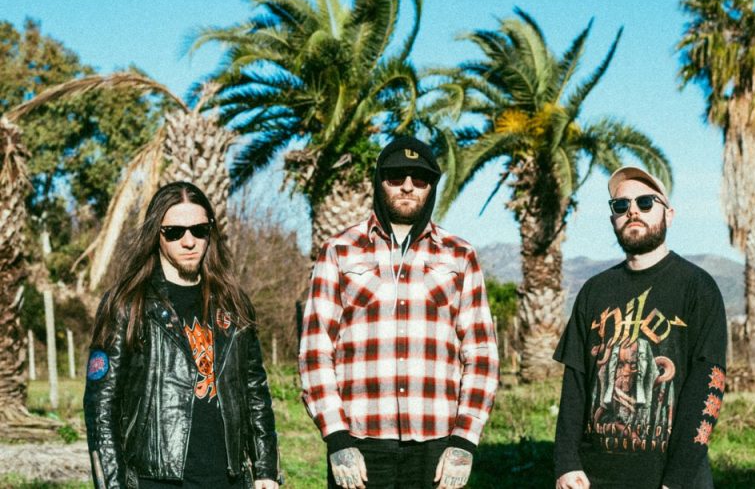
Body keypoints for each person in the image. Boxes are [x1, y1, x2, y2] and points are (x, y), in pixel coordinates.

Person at [299, 137, 500, 489]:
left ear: (431, 187)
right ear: (380, 181)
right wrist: (337, 438)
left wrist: (464, 440)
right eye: (396, 176)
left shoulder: (459, 255)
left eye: (419, 178)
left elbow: (481, 352)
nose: (408, 186)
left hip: (437, 446)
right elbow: (316, 351)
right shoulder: (339, 251)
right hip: (360, 443)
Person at [84, 182, 280, 489]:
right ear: (157, 234)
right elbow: (101, 407)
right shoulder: (128, 303)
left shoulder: (233, 303)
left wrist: (266, 469)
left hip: (228, 479)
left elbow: (255, 391)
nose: (189, 242)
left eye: (199, 230)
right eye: (175, 232)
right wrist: (111, 484)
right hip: (155, 479)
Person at [553, 166, 727, 489]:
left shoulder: (698, 288)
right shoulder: (594, 291)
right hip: (594, 478)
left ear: (669, 214)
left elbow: (707, 387)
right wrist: (566, 463)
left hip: (672, 479)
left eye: (645, 202)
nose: (633, 211)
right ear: (613, 219)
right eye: (621, 205)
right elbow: (575, 381)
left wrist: (677, 480)